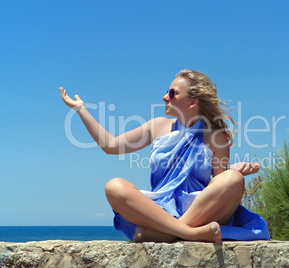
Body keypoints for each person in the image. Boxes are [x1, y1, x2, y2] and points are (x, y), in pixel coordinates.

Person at [59, 69, 270, 243]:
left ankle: (166, 234)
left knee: (233, 179)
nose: (164, 97)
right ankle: (186, 233)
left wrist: (233, 172)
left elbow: (217, 184)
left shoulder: (216, 137)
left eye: (173, 93)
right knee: (114, 186)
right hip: (160, 209)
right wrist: (81, 110)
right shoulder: (157, 126)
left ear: (193, 102)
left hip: (198, 209)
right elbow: (110, 145)